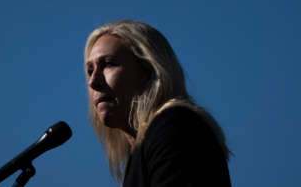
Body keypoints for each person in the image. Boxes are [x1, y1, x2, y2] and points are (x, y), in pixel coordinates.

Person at [84, 20, 231, 187]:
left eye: (108, 64)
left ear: (148, 71)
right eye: (90, 71)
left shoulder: (175, 126)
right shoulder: (139, 153)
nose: (93, 82)